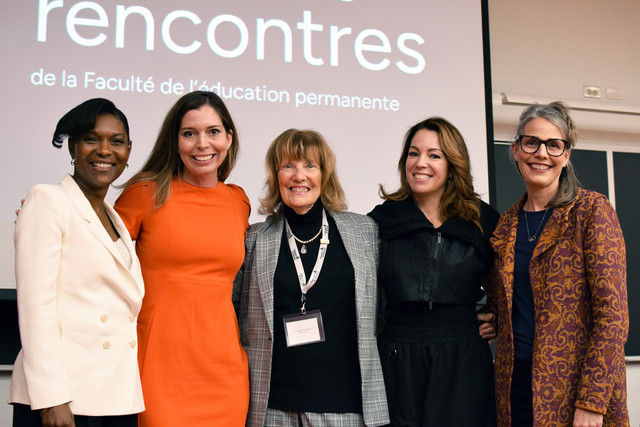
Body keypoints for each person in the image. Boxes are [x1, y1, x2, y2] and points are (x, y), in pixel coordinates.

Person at [235, 129, 389, 426]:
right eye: (288, 165)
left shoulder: (364, 232)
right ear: (275, 175)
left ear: (325, 174)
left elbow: (388, 304)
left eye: (310, 165)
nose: (299, 175)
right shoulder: (254, 239)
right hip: (272, 409)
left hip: (345, 408)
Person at [488, 102, 629, 426]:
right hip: (515, 388)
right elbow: (506, 302)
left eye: (553, 145)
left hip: (576, 388)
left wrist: (592, 401)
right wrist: (489, 316)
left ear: (566, 155)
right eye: (531, 142)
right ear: (516, 151)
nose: (541, 153)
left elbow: (613, 317)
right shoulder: (505, 225)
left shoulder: (591, 211)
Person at [114, 91, 250, 426]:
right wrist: (50, 220)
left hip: (224, 372)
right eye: (189, 133)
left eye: (213, 132)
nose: (203, 144)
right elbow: (94, 253)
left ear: (229, 138)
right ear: (175, 142)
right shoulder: (145, 193)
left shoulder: (237, 202)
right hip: (158, 370)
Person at [9, 98, 144, 427]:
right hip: (64, 398)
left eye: (116, 141)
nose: (104, 150)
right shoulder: (48, 200)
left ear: (128, 151)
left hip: (114, 395)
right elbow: (36, 306)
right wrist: (52, 398)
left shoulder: (114, 218)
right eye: (91, 139)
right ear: (72, 148)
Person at [368, 117, 499, 426]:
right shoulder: (380, 220)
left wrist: (495, 315)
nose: (420, 163)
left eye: (434, 155)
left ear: (453, 164)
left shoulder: (484, 220)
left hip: (463, 358)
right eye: (414, 153)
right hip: (397, 356)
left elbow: (508, 283)